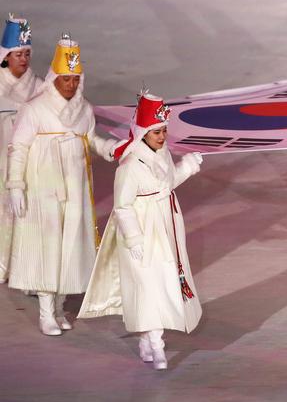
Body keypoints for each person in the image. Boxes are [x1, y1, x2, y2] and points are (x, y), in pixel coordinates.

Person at [79, 92, 203, 370]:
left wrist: (188, 166)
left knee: (163, 280)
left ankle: (149, 339)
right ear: (143, 132)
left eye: (164, 131)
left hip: (166, 225)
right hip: (142, 230)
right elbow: (122, 206)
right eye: (156, 131)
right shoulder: (130, 167)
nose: (161, 137)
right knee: (148, 285)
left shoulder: (164, 155)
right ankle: (156, 343)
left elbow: (167, 184)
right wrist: (133, 237)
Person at [6, 35, 117, 336]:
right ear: (55, 78)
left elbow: (90, 139)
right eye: (65, 78)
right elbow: (18, 147)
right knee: (48, 247)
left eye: (74, 79)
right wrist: (15, 184)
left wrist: (110, 148)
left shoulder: (84, 110)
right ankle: (45, 312)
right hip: (44, 188)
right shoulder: (35, 109)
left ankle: (59, 305)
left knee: (70, 247)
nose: (69, 84)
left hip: (76, 187)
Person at [0, 14, 42, 283]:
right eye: (18, 54)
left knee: (25, 212)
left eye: (27, 53)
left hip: (26, 160)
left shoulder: (38, 87)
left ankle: (22, 263)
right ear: (5, 57)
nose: (24, 59)